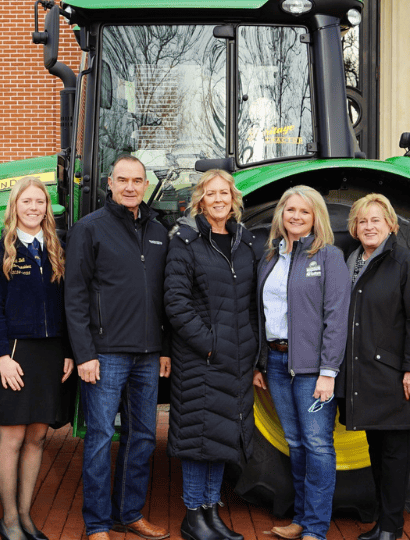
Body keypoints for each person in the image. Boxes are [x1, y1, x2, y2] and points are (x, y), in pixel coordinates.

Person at [65, 155, 172, 540]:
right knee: (98, 439)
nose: (130, 187)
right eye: (122, 179)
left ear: (146, 185)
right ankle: (96, 523)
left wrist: (164, 349)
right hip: (105, 354)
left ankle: (129, 513)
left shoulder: (159, 231)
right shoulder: (89, 229)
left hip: (147, 354)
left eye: (137, 180)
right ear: (109, 182)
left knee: (142, 437)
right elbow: (74, 295)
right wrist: (85, 353)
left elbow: (165, 296)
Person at [336, 193, 410, 540]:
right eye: (362, 221)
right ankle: (383, 522)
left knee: (395, 455)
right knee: (377, 453)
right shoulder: (353, 261)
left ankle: (392, 527)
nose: (368, 227)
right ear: (354, 227)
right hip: (366, 377)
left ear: (391, 225)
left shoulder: (406, 263)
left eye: (376, 220)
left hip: (396, 377)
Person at [164, 170, 259, 540]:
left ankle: (210, 512)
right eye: (211, 193)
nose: (218, 199)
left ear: (233, 198)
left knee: (223, 436)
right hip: (200, 357)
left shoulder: (244, 243)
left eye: (224, 192)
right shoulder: (185, 243)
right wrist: (210, 344)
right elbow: (176, 302)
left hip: (236, 359)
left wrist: (248, 344)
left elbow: (252, 303)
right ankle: (193, 515)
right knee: (198, 438)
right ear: (200, 199)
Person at [0, 177, 74, 540]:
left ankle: (25, 515)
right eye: (27, 202)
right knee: (13, 437)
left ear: (47, 207)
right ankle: (8, 519)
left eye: (40, 202)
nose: (34, 207)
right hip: (15, 354)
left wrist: (68, 351)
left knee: (37, 437)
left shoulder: (56, 249)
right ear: (14, 206)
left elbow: (68, 305)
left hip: (51, 354)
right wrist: (2, 356)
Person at [256, 185, 350, 540]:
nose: (296, 216)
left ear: (316, 218)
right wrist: (259, 362)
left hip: (312, 371)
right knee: (295, 443)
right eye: (290, 209)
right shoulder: (270, 258)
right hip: (277, 364)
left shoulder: (328, 258)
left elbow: (336, 319)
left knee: (318, 445)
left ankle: (315, 528)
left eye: (304, 211)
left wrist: (328, 373)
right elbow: (261, 314)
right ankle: (300, 519)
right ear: (281, 214)